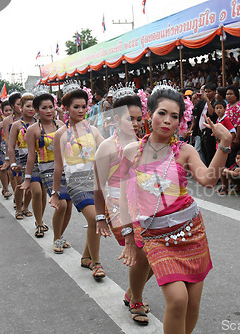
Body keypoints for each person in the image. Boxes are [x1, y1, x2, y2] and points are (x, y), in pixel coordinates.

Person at [119, 85, 231, 334]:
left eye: (175, 116)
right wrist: (128, 236)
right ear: (149, 114)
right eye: (162, 113)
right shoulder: (132, 152)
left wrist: (224, 144)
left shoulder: (185, 150)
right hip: (155, 236)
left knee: (192, 304)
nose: (168, 120)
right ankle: (134, 294)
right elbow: (124, 197)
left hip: (191, 233)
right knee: (178, 299)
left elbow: (208, 180)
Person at [94, 89, 153, 325]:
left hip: (144, 205)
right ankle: (136, 300)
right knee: (140, 253)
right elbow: (98, 187)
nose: (137, 123)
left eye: (140, 118)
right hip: (118, 206)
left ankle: (131, 292)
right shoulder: (106, 147)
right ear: (117, 119)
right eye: (131, 119)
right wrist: (100, 217)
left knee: (153, 255)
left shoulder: (144, 143)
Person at [50, 83, 106, 281]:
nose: (81, 110)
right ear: (66, 108)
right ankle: (96, 263)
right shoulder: (61, 135)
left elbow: (107, 151)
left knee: (97, 219)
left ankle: (86, 257)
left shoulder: (94, 131)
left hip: (96, 182)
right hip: (75, 183)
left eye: (84, 106)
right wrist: (55, 193)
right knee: (94, 219)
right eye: (76, 107)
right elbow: (58, 166)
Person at [20, 91, 72, 246]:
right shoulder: (33, 130)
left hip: (65, 168)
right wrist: (27, 178)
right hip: (47, 168)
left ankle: (60, 236)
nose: (49, 111)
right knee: (61, 203)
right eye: (44, 108)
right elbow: (31, 155)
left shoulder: (61, 125)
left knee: (68, 203)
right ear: (37, 110)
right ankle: (55, 238)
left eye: (51, 107)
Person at [7, 93, 36, 220]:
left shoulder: (39, 123)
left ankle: (26, 207)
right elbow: (11, 146)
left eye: (33, 106)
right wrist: (12, 163)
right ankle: (18, 208)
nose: (31, 109)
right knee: (20, 185)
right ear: (21, 108)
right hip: (20, 159)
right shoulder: (16, 125)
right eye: (27, 106)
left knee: (31, 185)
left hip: (36, 158)